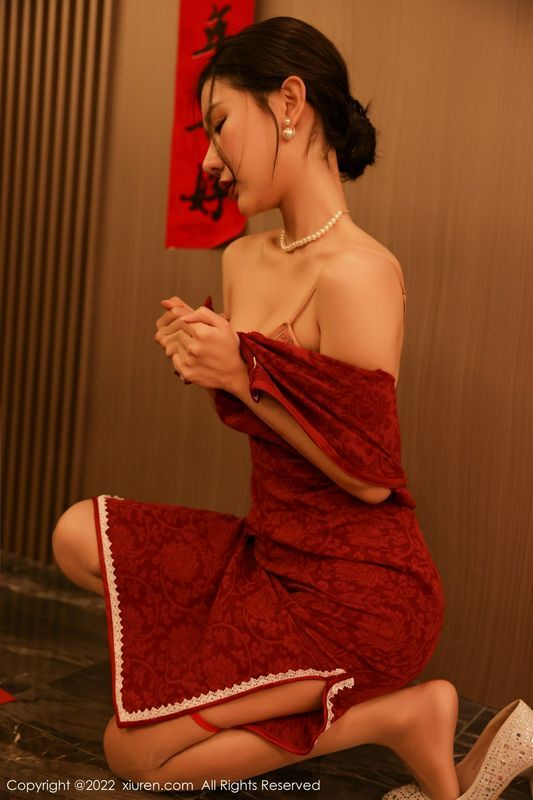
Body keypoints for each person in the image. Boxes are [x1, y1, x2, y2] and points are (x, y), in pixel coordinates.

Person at [51, 16, 533, 800]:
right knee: (74, 532)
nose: (208, 161)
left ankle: (398, 716)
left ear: (288, 103)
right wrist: (205, 358)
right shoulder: (243, 258)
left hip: (358, 592)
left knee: (132, 755)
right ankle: (228, 676)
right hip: (268, 552)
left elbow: (368, 480)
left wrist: (242, 376)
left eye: (219, 126)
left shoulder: (360, 274)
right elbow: (268, 407)